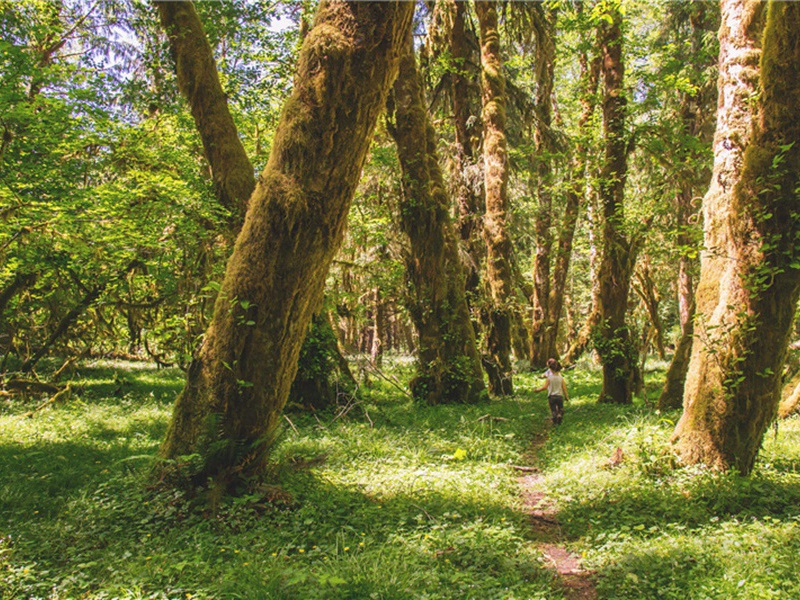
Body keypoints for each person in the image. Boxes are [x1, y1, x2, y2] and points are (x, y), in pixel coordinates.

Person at [535, 358, 568, 425]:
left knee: (553, 410)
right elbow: (564, 388)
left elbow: (545, 387)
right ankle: (559, 416)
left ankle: (555, 421)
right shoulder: (561, 378)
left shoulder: (549, 378)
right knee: (560, 409)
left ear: (550, 369)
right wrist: (566, 396)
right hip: (559, 396)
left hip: (551, 397)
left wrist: (538, 390)